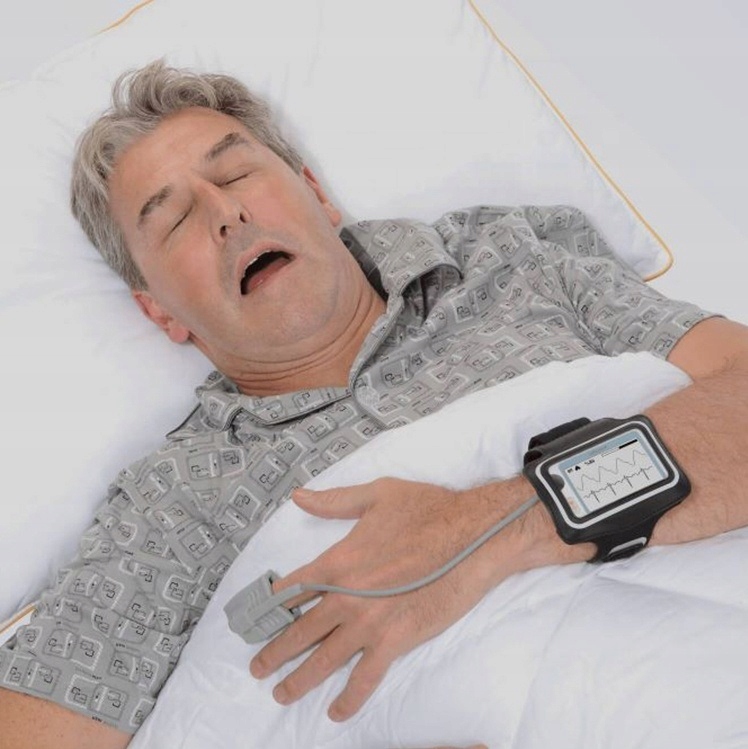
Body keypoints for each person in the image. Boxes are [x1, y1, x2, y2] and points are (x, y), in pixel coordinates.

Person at [1, 60, 746, 749]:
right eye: (174, 221)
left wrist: (494, 525)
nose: (225, 214)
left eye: (235, 172)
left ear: (316, 192)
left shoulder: (508, 257)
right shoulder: (171, 504)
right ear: (160, 311)